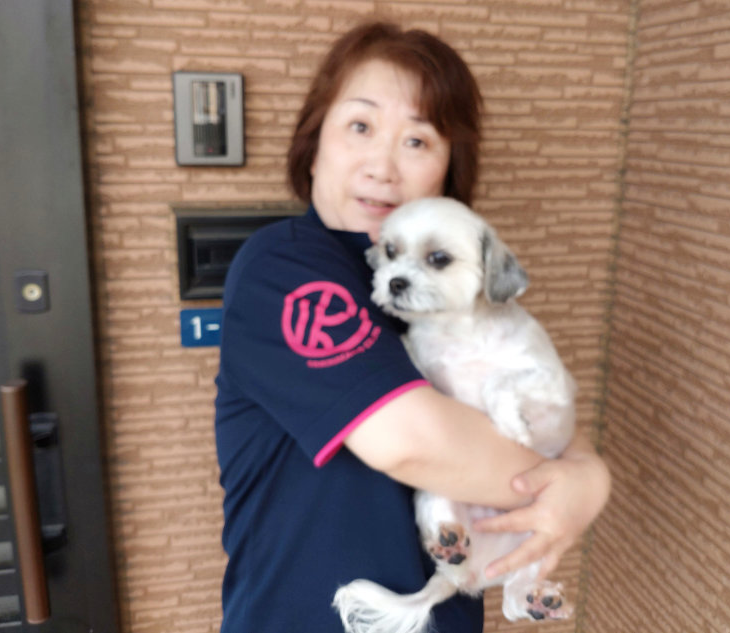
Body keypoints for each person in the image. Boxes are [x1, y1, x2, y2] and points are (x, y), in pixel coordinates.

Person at [214, 21, 610, 633]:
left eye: (418, 141)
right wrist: (568, 485)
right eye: (361, 126)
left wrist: (586, 471)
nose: (383, 166)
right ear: (314, 145)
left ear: (449, 171)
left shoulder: (454, 287)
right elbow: (412, 443)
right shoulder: (285, 268)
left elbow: (531, 392)